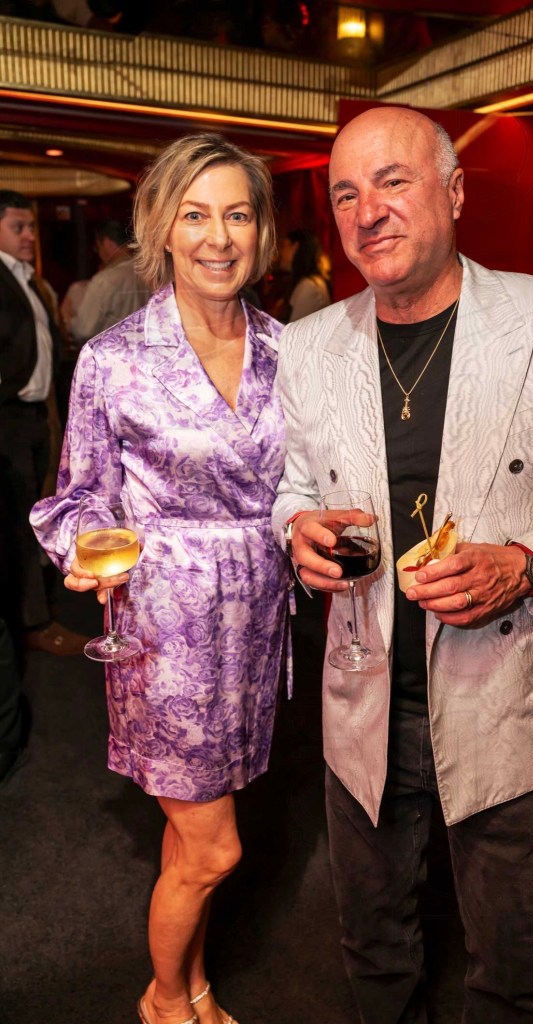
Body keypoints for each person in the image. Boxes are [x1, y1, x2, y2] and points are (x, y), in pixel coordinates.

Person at [272, 106, 533, 1024]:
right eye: (345, 194)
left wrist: (526, 562)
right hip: (363, 696)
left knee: (511, 966)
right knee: (372, 949)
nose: (368, 213)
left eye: (392, 182)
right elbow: (291, 485)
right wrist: (297, 530)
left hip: (509, 693)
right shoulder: (308, 345)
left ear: (453, 191)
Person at [31, 132, 290, 1024]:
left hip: (258, 623)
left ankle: (195, 982)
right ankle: (164, 1001)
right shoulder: (114, 359)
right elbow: (75, 500)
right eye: (196, 215)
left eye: (238, 214)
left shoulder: (293, 350)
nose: (219, 236)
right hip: (165, 629)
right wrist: (78, 552)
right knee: (213, 847)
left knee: (191, 836)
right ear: (163, 231)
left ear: (260, 233)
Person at [0, 188, 87, 656]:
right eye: (19, 227)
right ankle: (33, 624)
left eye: (31, 226)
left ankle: (31, 618)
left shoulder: (30, 281)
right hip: (7, 418)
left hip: (34, 416)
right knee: (18, 523)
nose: (30, 235)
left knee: (33, 516)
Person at [70, 218, 150, 343]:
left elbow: (83, 330)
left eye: (97, 247)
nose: (99, 254)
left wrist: (68, 320)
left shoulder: (105, 280)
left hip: (115, 356)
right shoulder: (152, 272)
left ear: (106, 242)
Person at [278, 228, 330, 322]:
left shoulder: (309, 286)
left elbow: (295, 333)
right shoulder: (309, 283)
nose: (280, 252)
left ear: (295, 247)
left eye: (284, 246)